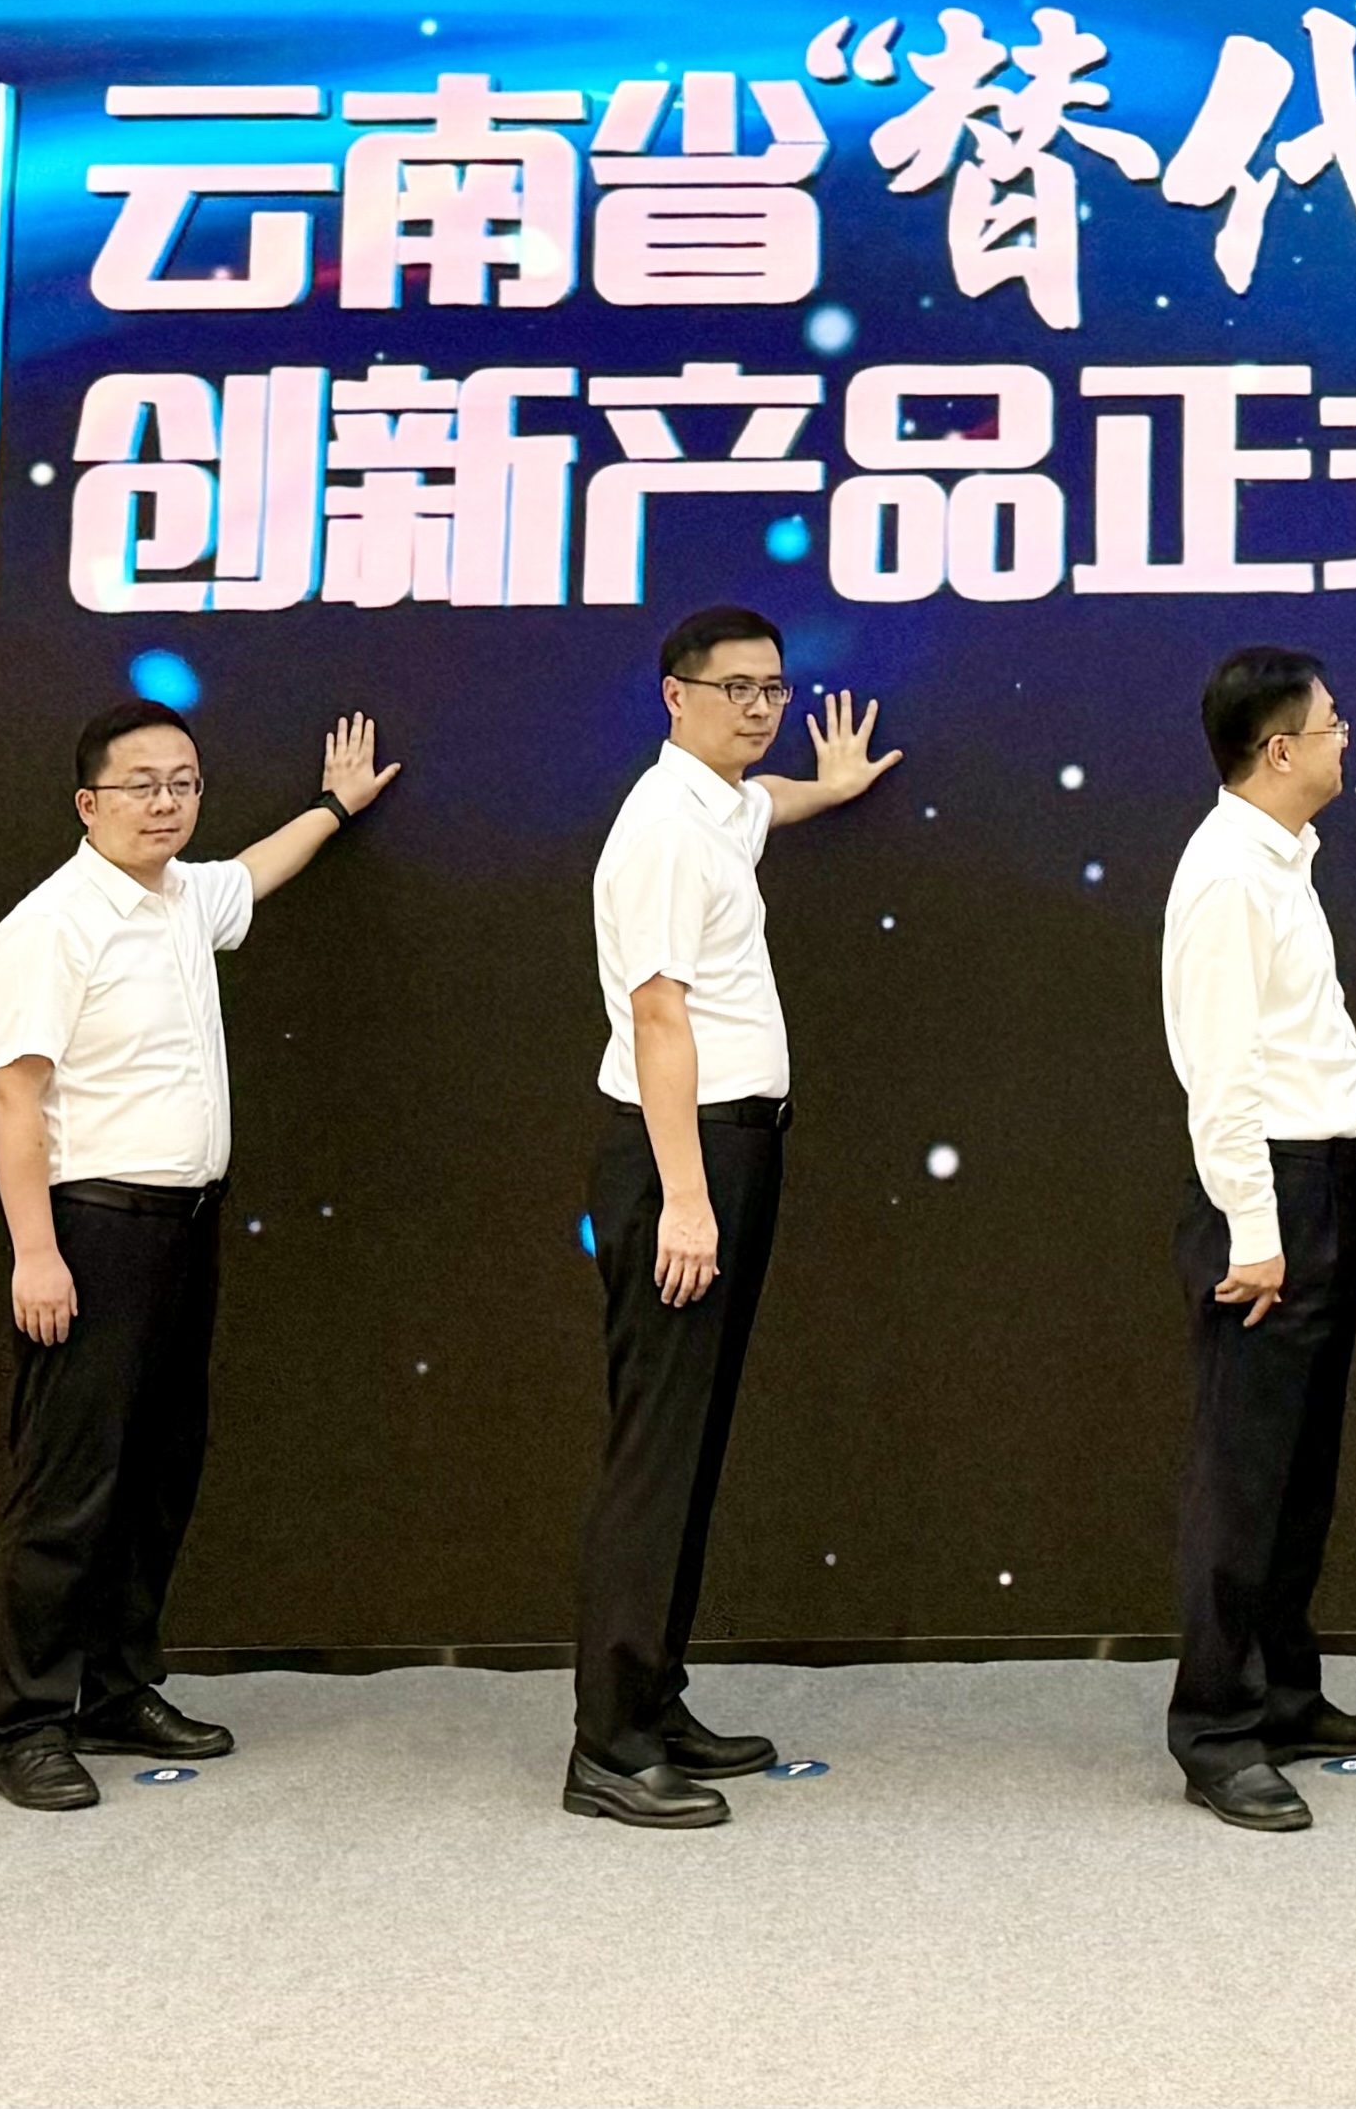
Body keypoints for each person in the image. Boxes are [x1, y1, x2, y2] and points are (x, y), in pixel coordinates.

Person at [0, 698, 398, 1813]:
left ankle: (117, 1691)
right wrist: (34, 1253)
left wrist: (333, 808)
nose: (164, 804)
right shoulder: (51, 926)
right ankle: (27, 1727)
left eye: (183, 783)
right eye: (141, 786)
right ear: (87, 803)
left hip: (187, 1227)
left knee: (158, 1474)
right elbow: (14, 1096)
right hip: (91, 1231)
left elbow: (252, 873)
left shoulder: (182, 899)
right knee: (69, 1485)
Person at [565, 606, 900, 1831]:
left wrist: (829, 788)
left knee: (692, 1445)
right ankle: (609, 1747)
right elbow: (658, 1020)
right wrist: (688, 1200)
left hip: (727, 1152)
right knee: (656, 1455)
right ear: (675, 696)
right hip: (682, 1161)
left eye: (773, 689)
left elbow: (765, 809)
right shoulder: (660, 829)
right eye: (735, 690)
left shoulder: (716, 808)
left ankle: (654, 1701)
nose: (760, 709)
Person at [1158, 646, 1356, 1833]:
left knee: (1300, 1467)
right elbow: (1219, 1074)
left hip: (1324, 1183)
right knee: (1245, 1474)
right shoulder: (1225, 877)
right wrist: (1255, 1231)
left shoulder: (1285, 861)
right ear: (1281, 748)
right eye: (1334, 723)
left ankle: (1284, 1691)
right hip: (1270, 1199)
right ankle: (1215, 1731)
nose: (1348, 739)